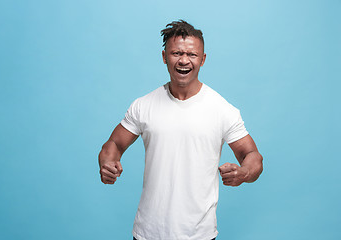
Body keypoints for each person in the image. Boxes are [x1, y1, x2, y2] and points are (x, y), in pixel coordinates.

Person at [98, 20, 263, 240]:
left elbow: (252, 155)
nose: (184, 60)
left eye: (192, 55)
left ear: (202, 60)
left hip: (199, 235)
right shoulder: (143, 105)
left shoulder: (223, 109)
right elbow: (115, 144)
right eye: (176, 53)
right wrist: (107, 163)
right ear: (164, 57)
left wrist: (244, 173)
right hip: (147, 233)